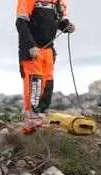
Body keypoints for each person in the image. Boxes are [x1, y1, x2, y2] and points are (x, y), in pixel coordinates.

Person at [15, 0, 76, 132]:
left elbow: (59, 21)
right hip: (32, 51)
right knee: (35, 84)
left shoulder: (59, 1)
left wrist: (66, 26)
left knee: (48, 83)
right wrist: (31, 45)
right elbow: (20, 23)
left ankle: (41, 116)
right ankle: (31, 121)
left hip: (48, 50)